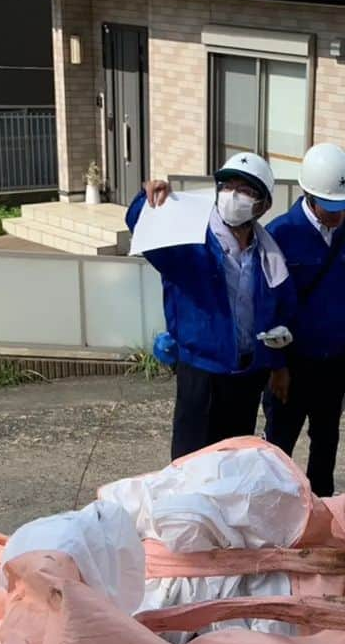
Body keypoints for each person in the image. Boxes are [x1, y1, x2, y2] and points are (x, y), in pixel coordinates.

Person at [126, 152, 296, 460]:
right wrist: (148, 198)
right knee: (191, 464)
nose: (233, 195)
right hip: (201, 371)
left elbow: (279, 313)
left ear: (264, 205)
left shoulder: (268, 253)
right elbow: (142, 225)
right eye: (227, 185)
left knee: (231, 463)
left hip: (247, 373)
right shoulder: (190, 240)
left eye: (245, 190)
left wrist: (278, 364)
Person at [262, 143, 345, 496]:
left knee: (326, 443)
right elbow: (269, 307)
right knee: (279, 447)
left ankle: (323, 517)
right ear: (308, 194)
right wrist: (277, 366)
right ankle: (276, 518)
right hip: (292, 364)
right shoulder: (281, 233)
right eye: (332, 206)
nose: (339, 215)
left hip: (335, 362)